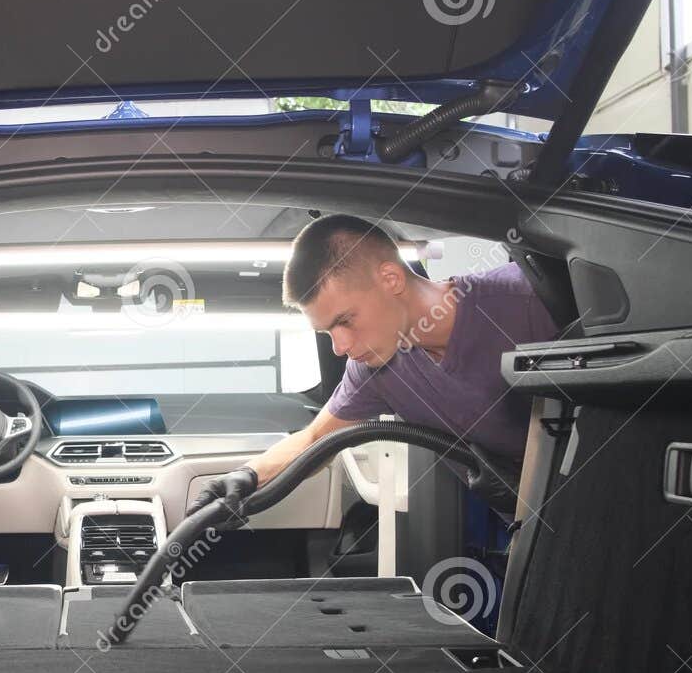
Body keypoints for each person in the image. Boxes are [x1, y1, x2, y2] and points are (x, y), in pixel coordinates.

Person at [190, 213, 561, 513]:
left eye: (345, 321)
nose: (340, 347)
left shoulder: (528, 300)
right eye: (327, 332)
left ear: (390, 278)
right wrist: (246, 477)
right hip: (535, 521)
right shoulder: (376, 369)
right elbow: (318, 440)